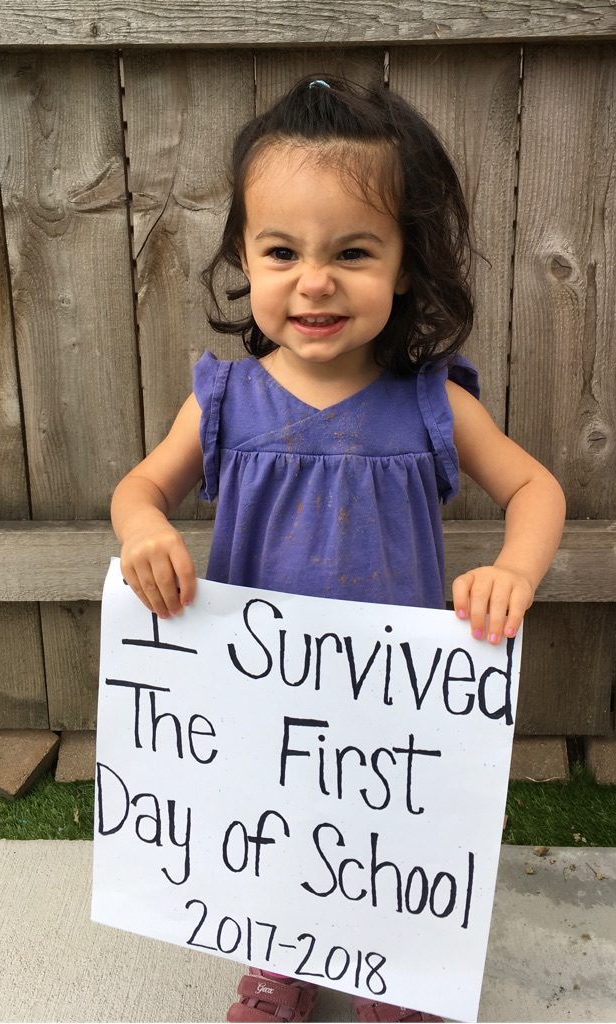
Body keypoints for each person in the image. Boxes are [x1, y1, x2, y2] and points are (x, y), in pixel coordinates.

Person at [111, 75, 566, 1024]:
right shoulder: (226, 399)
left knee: (384, 836)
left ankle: (392, 967)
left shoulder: (432, 402)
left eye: (353, 251)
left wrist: (514, 569)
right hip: (255, 692)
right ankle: (279, 961)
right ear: (246, 255)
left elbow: (535, 489)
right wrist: (146, 526)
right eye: (283, 250)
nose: (314, 279)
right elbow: (140, 486)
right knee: (271, 826)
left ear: (403, 264)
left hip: (391, 707)